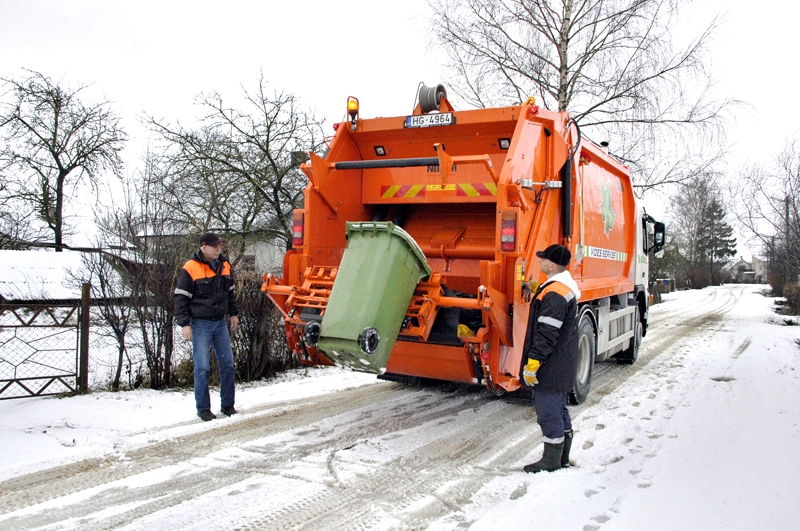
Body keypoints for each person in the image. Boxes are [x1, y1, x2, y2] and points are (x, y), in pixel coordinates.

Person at [520, 243, 581, 473]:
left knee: (548, 412)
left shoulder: (554, 294)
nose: (540, 261)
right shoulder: (560, 288)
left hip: (551, 365)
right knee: (559, 409)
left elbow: (547, 332)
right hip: (561, 363)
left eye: (543, 259)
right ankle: (562, 457)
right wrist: (535, 288)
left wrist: (533, 363)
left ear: (552, 264)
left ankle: (551, 461)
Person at [174, 232, 240, 421]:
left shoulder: (224, 265)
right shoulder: (191, 267)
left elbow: (230, 293)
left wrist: (233, 313)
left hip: (220, 323)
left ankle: (228, 406)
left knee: (227, 365)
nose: (219, 249)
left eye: (220, 246)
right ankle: (203, 409)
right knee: (202, 368)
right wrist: (184, 324)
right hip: (200, 324)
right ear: (204, 247)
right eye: (215, 246)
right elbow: (180, 297)